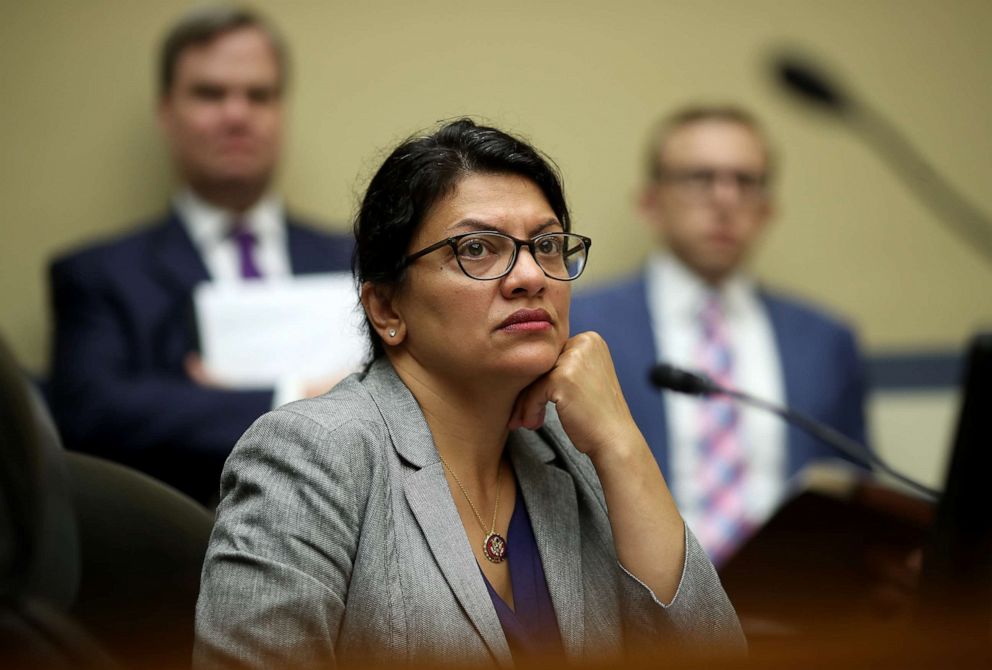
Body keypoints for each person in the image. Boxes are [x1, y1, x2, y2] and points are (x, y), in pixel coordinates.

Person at [193, 119, 744, 668]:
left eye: (548, 245)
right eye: (477, 248)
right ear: (387, 308)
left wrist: (622, 443)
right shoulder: (312, 453)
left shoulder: (576, 450)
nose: (530, 275)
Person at [46, 6, 353, 504]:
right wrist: (298, 397)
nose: (237, 114)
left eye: (259, 95)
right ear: (167, 112)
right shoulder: (99, 275)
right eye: (210, 94)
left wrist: (208, 404)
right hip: (182, 548)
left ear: (281, 111)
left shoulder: (358, 260)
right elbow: (89, 413)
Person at [570, 106, 868, 567]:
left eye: (745, 182)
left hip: (797, 613)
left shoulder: (826, 340)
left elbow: (856, 495)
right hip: (636, 610)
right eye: (699, 178)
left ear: (768, 208)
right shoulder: (581, 325)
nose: (725, 200)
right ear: (650, 202)